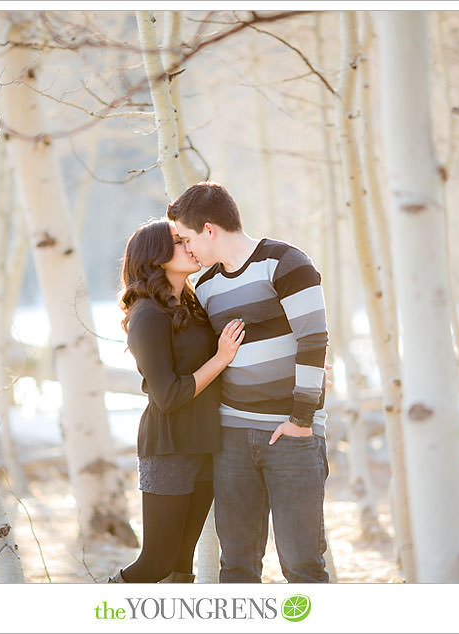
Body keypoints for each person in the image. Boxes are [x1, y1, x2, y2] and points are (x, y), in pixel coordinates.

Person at [167, 182, 330, 583]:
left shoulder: (286, 262)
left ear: (209, 230)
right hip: (233, 437)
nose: (187, 250)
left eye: (187, 239)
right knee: (237, 565)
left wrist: (301, 421)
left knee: (302, 564)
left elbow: (314, 339)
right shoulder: (205, 289)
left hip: (291, 433)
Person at [109, 218, 245, 583]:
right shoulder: (147, 315)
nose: (190, 244)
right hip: (168, 446)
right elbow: (167, 396)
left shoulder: (192, 302)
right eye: (178, 240)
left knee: (181, 564)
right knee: (156, 561)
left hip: (204, 444)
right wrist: (221, 357)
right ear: (155, 255)